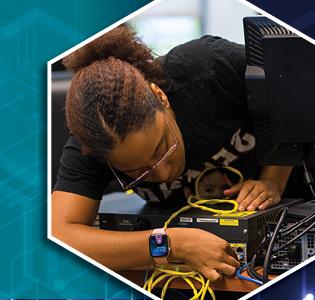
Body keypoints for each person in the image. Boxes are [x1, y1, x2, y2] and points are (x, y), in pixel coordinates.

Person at [51, 24, 293, 282]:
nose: (165, 173)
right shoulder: (94, 141)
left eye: (163, 150)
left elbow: (290, 88)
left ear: (161, 97)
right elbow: (59, 235)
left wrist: (272, 179)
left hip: (291, 219)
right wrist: (171, 244)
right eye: (138, 172)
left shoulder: (208, 68)